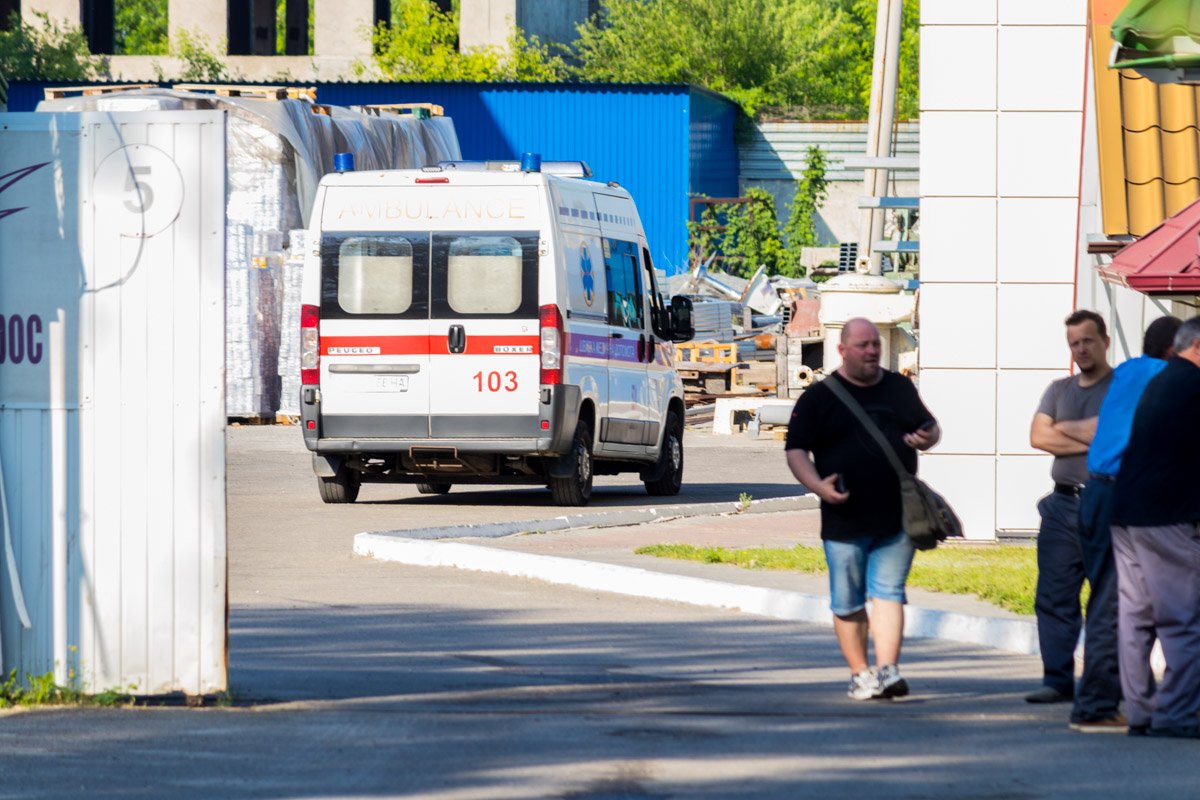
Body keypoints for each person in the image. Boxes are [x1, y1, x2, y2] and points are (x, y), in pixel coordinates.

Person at [784, 318, 940, 700]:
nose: (872, 351)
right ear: (842, 350)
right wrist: (817, 486)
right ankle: (860, 673)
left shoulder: (899, 387)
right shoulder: (819, 397)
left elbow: (930, 428)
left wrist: (927, 437)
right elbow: (795, 450)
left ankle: (887, 671)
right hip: (844, 517)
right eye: (863, 345)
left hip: (898, 516)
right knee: (848, 600)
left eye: (875, 345)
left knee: (889, 592)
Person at [1068, 315, 1181, 733]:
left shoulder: (1130, 371)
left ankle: (1115, 700)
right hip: (1125, 493)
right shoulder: (1169, 377)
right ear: (1175, 351)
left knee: (1118, 601)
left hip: (1096, 492)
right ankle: (1095, 705)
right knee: (1119, 604)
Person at [1109, 316, 1200, 739]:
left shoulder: (1160, 383)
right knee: (1182, 616)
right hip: (1167, 514)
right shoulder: (1192, 385)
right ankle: (1178, 714)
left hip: (1126, 511)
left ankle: (1141, 711)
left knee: (1137, 616)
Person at [1026, 310, 1113, 706]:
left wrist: (1064, 431)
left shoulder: (1119, 388)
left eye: (1087, 341)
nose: (1081, 349)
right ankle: (1057, 679)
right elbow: (1037, 436)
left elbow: (1112, 433)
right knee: (1054, 595)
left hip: (1105, 502)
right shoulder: (1059, 389)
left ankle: (1103, 683)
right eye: (1074, 343)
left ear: (1105, 341)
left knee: (1106, 598)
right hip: (1061, 505)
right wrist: (1095, 436)